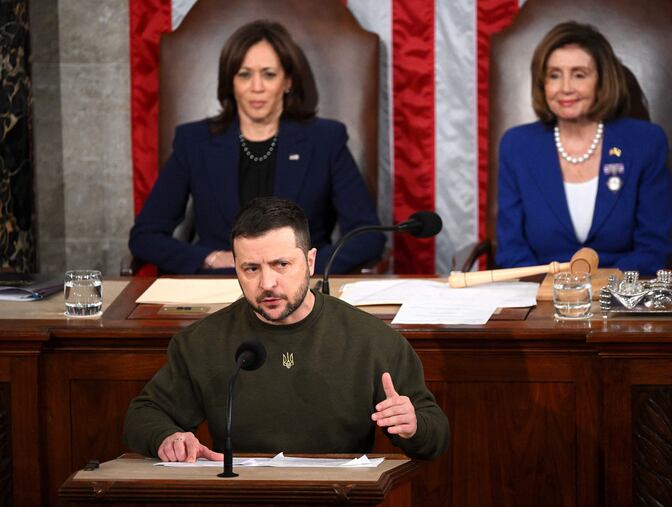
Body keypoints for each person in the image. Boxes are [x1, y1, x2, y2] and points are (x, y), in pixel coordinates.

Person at [123, 197, 449, 462]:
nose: (267, 283)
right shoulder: (203, 342)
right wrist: (167, 437)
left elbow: (435, 434)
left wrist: (413, 424)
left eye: (281, 265)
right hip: (241, 497)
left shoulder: (372, 340)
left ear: (309, 262)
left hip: (340, 497)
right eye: (251, 268)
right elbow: (144, 414)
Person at [128, 20, 385, 275]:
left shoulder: (325, 140)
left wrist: (303, 267)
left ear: (288, 82)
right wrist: (210, 258)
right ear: (231, 82)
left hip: (302, 289)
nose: (257, 87)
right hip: (219, 289)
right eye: (244, 74)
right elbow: (145, 236)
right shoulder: (195, 141)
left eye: (269, 74)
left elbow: (367, 236)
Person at [496, 21, 672, 275]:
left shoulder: (645, 142)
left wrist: (599, 286)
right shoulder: (517, 146)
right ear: (542, 83)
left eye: (579, 74)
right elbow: (511, 250)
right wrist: (557, 291)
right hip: (540, 296)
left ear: (601, 82)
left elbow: (653, 248)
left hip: (621, 296)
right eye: (554, 75)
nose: (565, 88)